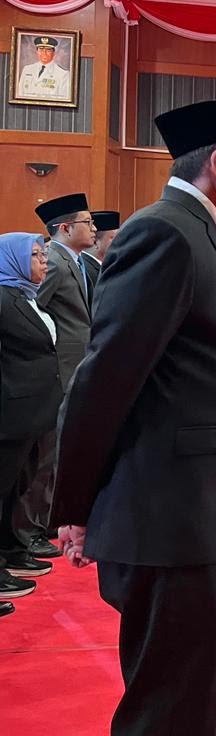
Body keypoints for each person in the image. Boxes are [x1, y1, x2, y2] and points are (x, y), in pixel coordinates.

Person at [51, 98, 216, 736]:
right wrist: (75, 504)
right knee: (167, 699)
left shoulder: (210, 232)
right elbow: (105, 378)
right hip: (180, 513)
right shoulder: (165, 232)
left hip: (213, 508)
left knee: (199, 674)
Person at [21, 193, 94, 561]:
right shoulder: (55, 262)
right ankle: (30, 528)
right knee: (45, 454)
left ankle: (47, 520)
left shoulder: (73, 261)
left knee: (60, 451)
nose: (94, 228)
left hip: (74, 367)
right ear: (65, 228)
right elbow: (33, 308)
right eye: (87, 222)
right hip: (59, 368)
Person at [0, 234, 61, 610]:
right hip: (11, 413)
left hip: (34, 412)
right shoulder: (3, 300)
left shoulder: (27, 297)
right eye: (35, 255)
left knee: (17, 486)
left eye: (43, 254)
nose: (43, 261)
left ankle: (12, 550)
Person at [80, 209, 120, 301]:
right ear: (95, 242)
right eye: (113, 238)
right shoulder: (85, 270)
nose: (118, 241)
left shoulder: (106, 266)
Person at [17, 35, 71, 101]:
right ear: (37, 52)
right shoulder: (27, 69)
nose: (44, 53)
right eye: (41, 49)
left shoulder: (63, 75)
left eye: (48, 50)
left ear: (54, 53)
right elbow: (19, 94)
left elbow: (64, 100)